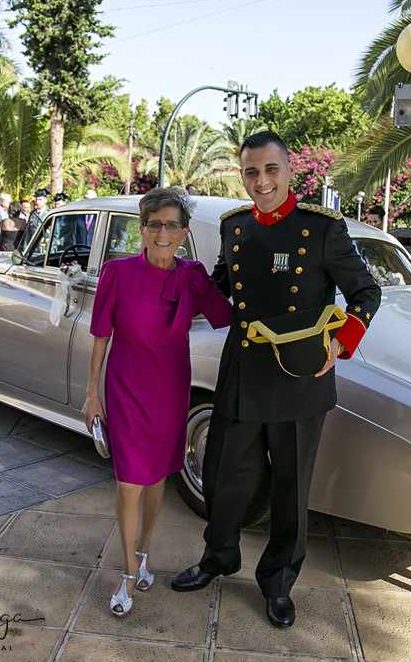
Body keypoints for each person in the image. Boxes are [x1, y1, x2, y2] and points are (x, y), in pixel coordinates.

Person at [172, 131, 381, 629]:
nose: (261, 181)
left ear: (290, 171)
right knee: (222, 475)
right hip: (243, 373)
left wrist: (341, 342)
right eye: (250, 171)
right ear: (241, 175)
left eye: (270, 170)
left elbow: (366, 292)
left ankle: (279, 581)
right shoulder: (234, 227)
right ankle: (219, 556)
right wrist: (170, 282)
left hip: (299, 378)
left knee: (290, 489)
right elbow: (220, 286)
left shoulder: (321, 229)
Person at [81, 187, 232, 617]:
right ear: (142, 228)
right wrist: (92, 392)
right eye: (153, 224)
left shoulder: (193, 277)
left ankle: (143, 551)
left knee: (156, 478)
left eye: (171, 225)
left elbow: (227, 315)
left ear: (184, 233)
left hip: (170, 390)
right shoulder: (117, 272)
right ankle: (128, 573)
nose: (162, 233)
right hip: (126, 387)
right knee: (129, 480)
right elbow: (101, 336)